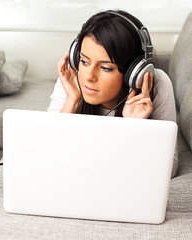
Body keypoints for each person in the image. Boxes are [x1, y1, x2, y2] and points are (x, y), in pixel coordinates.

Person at [48, 10, 178, 178]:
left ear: (134, 73)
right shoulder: (74, 77)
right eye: (84, 61)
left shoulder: (157, 84)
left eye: (105, 68)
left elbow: (169, 169)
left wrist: (134, 128)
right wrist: (72, 101)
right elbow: (49, 152)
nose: (88, 77)